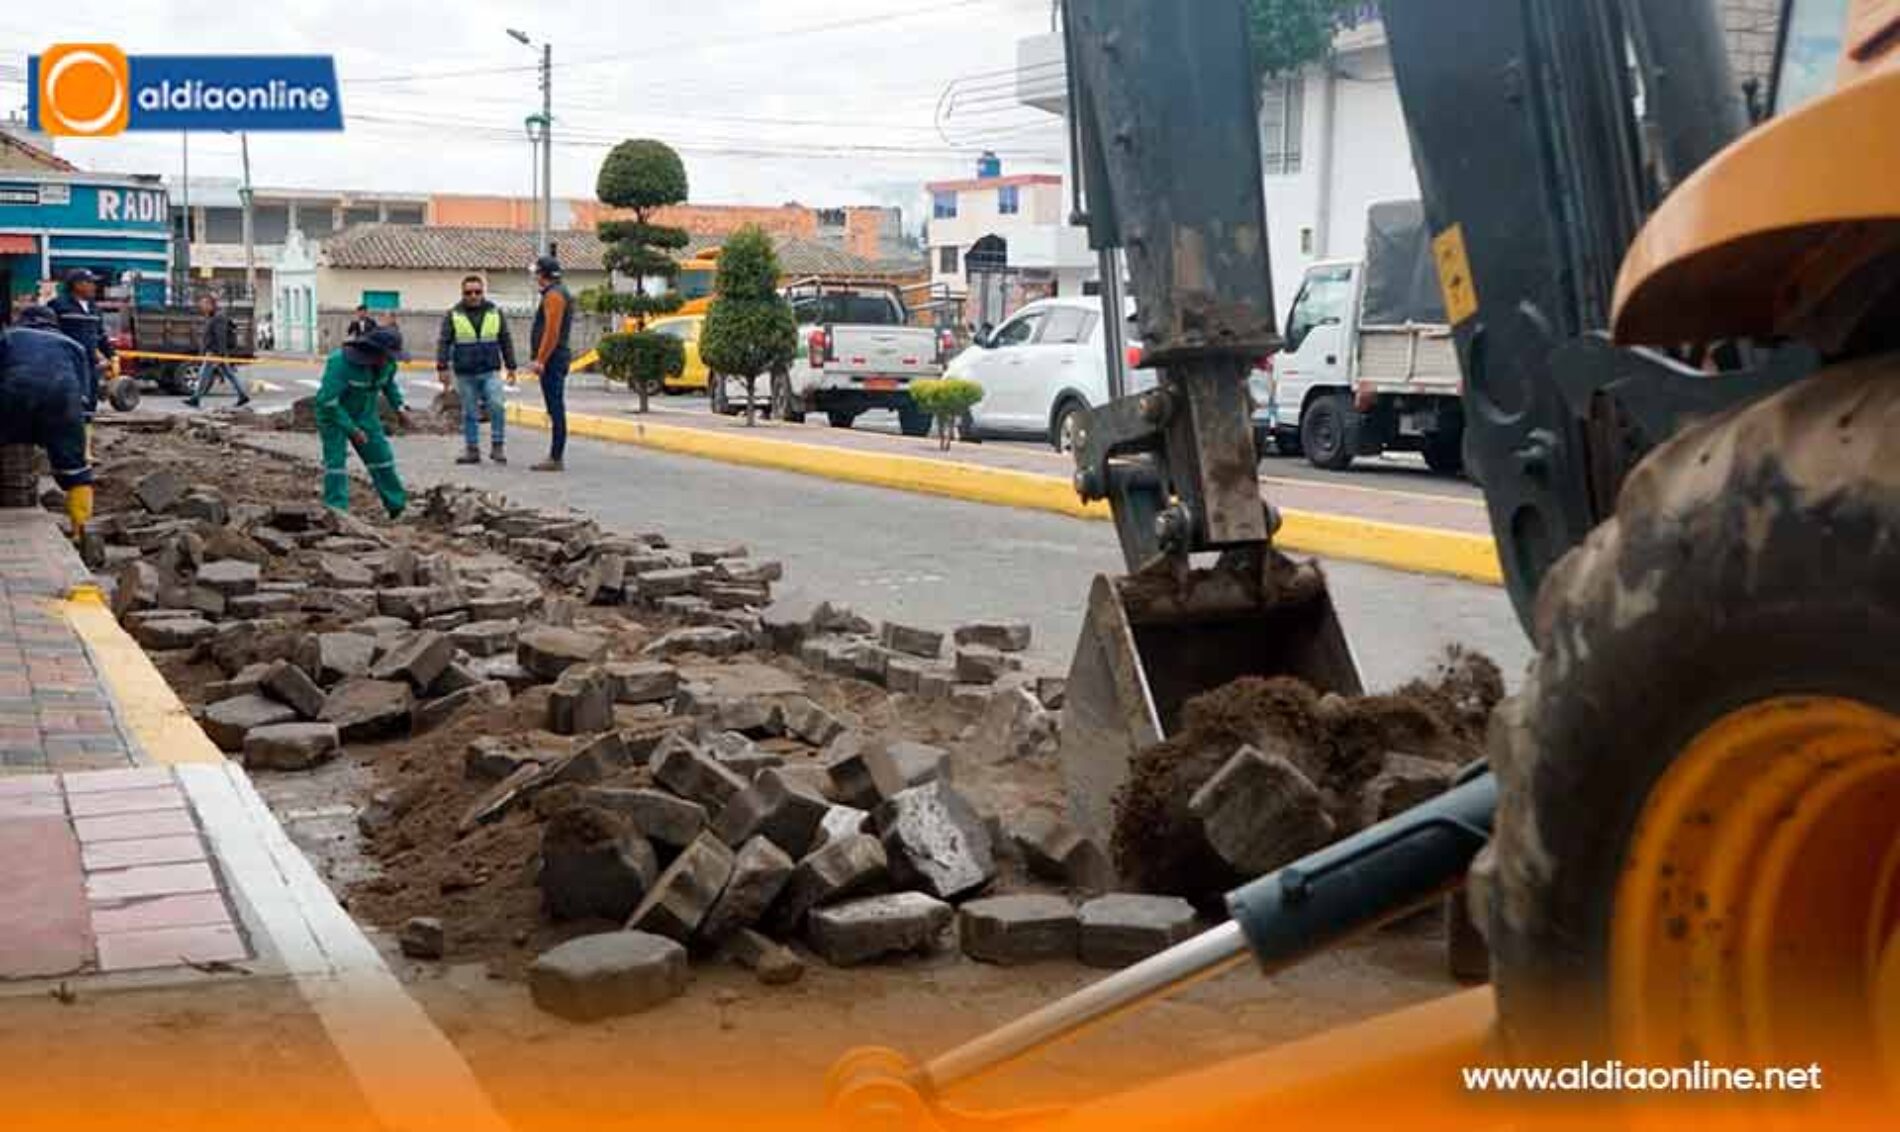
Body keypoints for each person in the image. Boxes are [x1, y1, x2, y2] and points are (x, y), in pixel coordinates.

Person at [0, 306, 95, 534]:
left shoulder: (8, 336)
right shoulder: (74, 346)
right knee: (74, 468)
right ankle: (81, 530)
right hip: (62, 398)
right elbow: (84, 396)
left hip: (11, 392)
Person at [315, 325, 413, 518]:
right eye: (387, 355)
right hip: (333, 416)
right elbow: (328, 401)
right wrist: (351, 429)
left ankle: (396, 506)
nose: (390, 360)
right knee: (336, 463)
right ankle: (336, 511)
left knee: (382, 458)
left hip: (365, 415)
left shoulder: (388, 364)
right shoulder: (340, 363)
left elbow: (389, 385)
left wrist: (399, 408)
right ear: (372, 352)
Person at [435, 274, 517, 465]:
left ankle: (497, 446)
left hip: (490, 370)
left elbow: (505, 339)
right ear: (462, 294)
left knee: (496, 405)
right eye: (468, 292)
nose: (473, 295)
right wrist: (442, 367)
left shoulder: (495, 312)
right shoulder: (454, 314)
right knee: (470, 412)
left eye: (477, 292)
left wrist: (511, 366)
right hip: (465, 372)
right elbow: (444, 341)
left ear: (483, 293)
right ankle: (472, 449)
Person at [526, 255, 573, 472]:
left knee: (556, 407)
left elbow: (552, 332)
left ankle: (556, 456)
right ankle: (555, 455)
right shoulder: (556, 293)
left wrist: (540, 360)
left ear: (543, 275)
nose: (535, 276)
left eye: (537, 272)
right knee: (554, 407)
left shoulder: (554, 296)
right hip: (554, 358)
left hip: (553, 360)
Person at [46, 268, 113, 417]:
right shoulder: (57, 305)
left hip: (90, 365)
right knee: (68, 404)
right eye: (90, 283)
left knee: (89, 403)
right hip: (67, 364)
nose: (94, 287)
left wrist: (110, 356)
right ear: (77, 285)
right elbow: (48, 332)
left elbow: (100, 335)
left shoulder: (94, 309)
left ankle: (86, 437)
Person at [183, 292, 250, 409]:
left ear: (211, 305)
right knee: (229, 375)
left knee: (203, 375)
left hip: (214, 352)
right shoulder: (212, 317)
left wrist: (219, 354)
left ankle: (196, 398)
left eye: (204, 304)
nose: (201, 307)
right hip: (215, 352)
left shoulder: (218, 318)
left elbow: (220, 337)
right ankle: (242, 395)